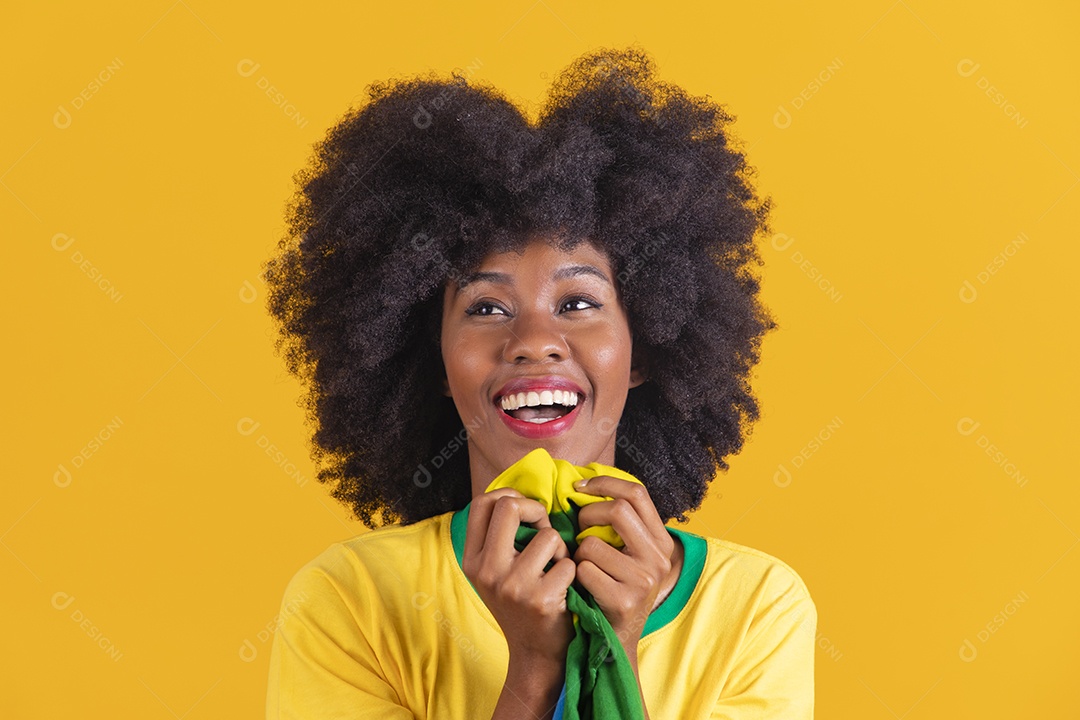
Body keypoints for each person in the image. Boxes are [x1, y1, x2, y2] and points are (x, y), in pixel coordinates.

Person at [262, 45, 816, 719]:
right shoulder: (350, 597)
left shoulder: (756, 604)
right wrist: (533, 669)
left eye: (578, 303)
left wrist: (616, 647)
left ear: (643, 349)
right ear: (432, 362)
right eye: (486, 308)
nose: (533, 344)